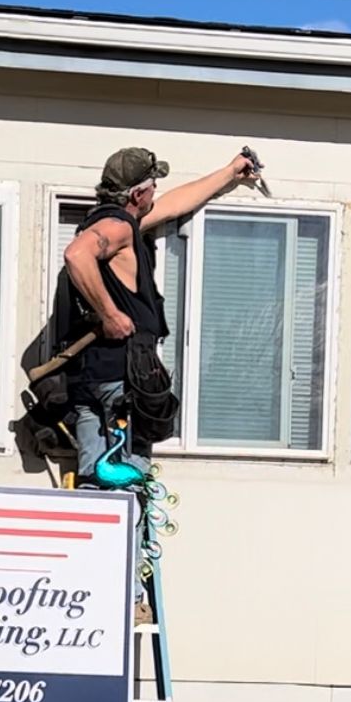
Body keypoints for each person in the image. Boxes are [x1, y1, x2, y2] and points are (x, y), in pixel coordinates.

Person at [62, 142, 261, 485]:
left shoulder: (114, 221)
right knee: (128, 483)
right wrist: (111, 315)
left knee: (96, 482)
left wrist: (230, 172)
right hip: (121, 381)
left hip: (91, 377)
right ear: (138, 193)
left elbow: (173, 205)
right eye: (152, 184)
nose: (157, 190)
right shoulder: (118, 228)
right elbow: (77, 255)